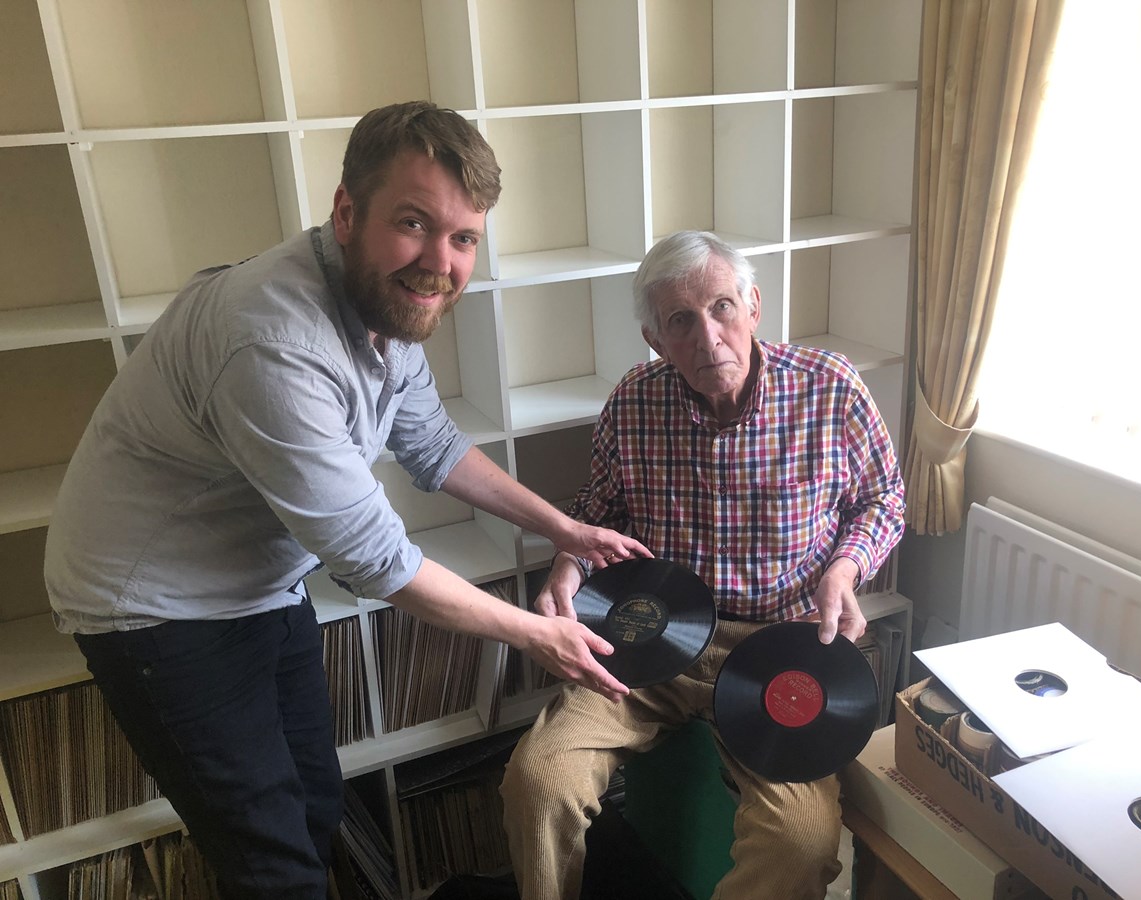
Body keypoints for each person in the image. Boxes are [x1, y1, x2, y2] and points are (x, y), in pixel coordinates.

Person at [42, 101, 647, 900]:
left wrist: (565, 527)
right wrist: (538, 634)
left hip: (258, 582)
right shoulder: (273, 340)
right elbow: (376, 561)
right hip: (154, 612)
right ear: (345, 210)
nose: (441, 262)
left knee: (318, 807)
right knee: (271, 860)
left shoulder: (388, 307)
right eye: (413, 223)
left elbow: (431, 445)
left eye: (463, 238)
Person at [500, 230, 905, 900]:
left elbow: (883, 498)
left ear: (753, 307)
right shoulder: (633, 401)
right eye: (680, 321)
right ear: (656, 339)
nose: (707, 336)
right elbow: (597, 513)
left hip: (781, 647)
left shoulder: (830, 389)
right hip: (654, 634)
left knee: (801, 840)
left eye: (721, 307)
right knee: (538, 779)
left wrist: (845, 569)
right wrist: (565, 572)